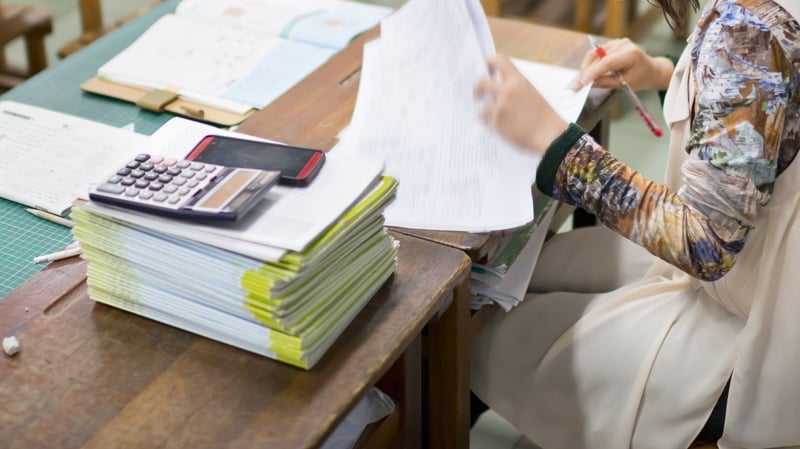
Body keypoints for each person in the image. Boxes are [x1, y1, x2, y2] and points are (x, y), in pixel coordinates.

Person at [470, 0, 800, 448]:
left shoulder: (748, 30)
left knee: (480, 338)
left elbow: (705, 245)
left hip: (759, 332)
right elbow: (769, 113)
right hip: (767, 272)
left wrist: (560, 148)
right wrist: (667, 75)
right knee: (536, 270)